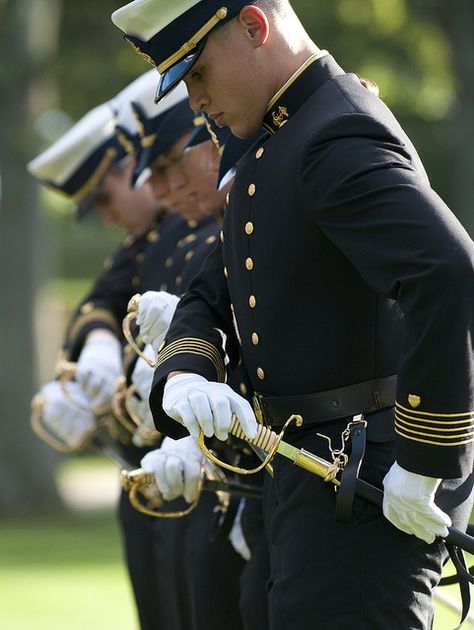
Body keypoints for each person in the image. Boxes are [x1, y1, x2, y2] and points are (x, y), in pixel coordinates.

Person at [112, 1, 474, 629]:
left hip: (364, 490)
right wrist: (188, 373)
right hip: (308, 483)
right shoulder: (273, 140)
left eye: (198, 74)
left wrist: (426, 464)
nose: (195, 103)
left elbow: (447, 274)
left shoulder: (333, 131)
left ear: (255, 26)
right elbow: (208, 292)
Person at [27, 71, 202, 630]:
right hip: (148, 469)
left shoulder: (192, 220)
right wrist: (100, 349)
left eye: (103, 195)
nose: (105, 215)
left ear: (131, 168)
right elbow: (99, 301)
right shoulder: (152, 238)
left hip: (199, 471)